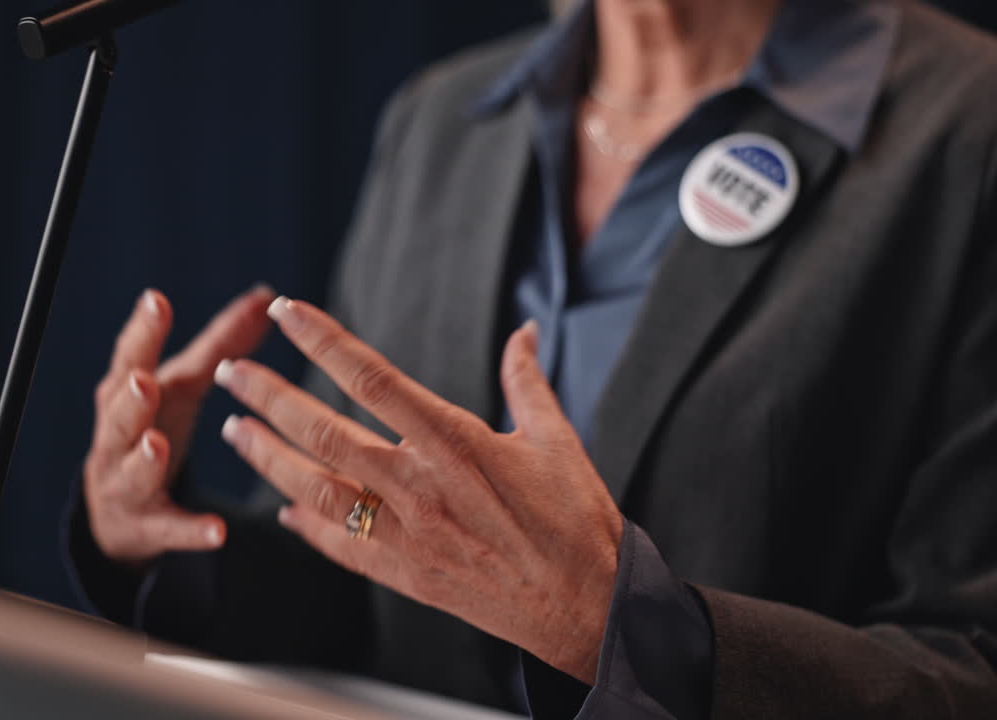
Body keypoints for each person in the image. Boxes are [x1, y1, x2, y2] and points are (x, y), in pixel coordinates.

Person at [67, 0, 997, 716]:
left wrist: (630, 630)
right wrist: (165, 531)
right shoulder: (444, 127)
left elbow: (973, 668)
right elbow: (368, 569)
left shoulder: (967, 131)